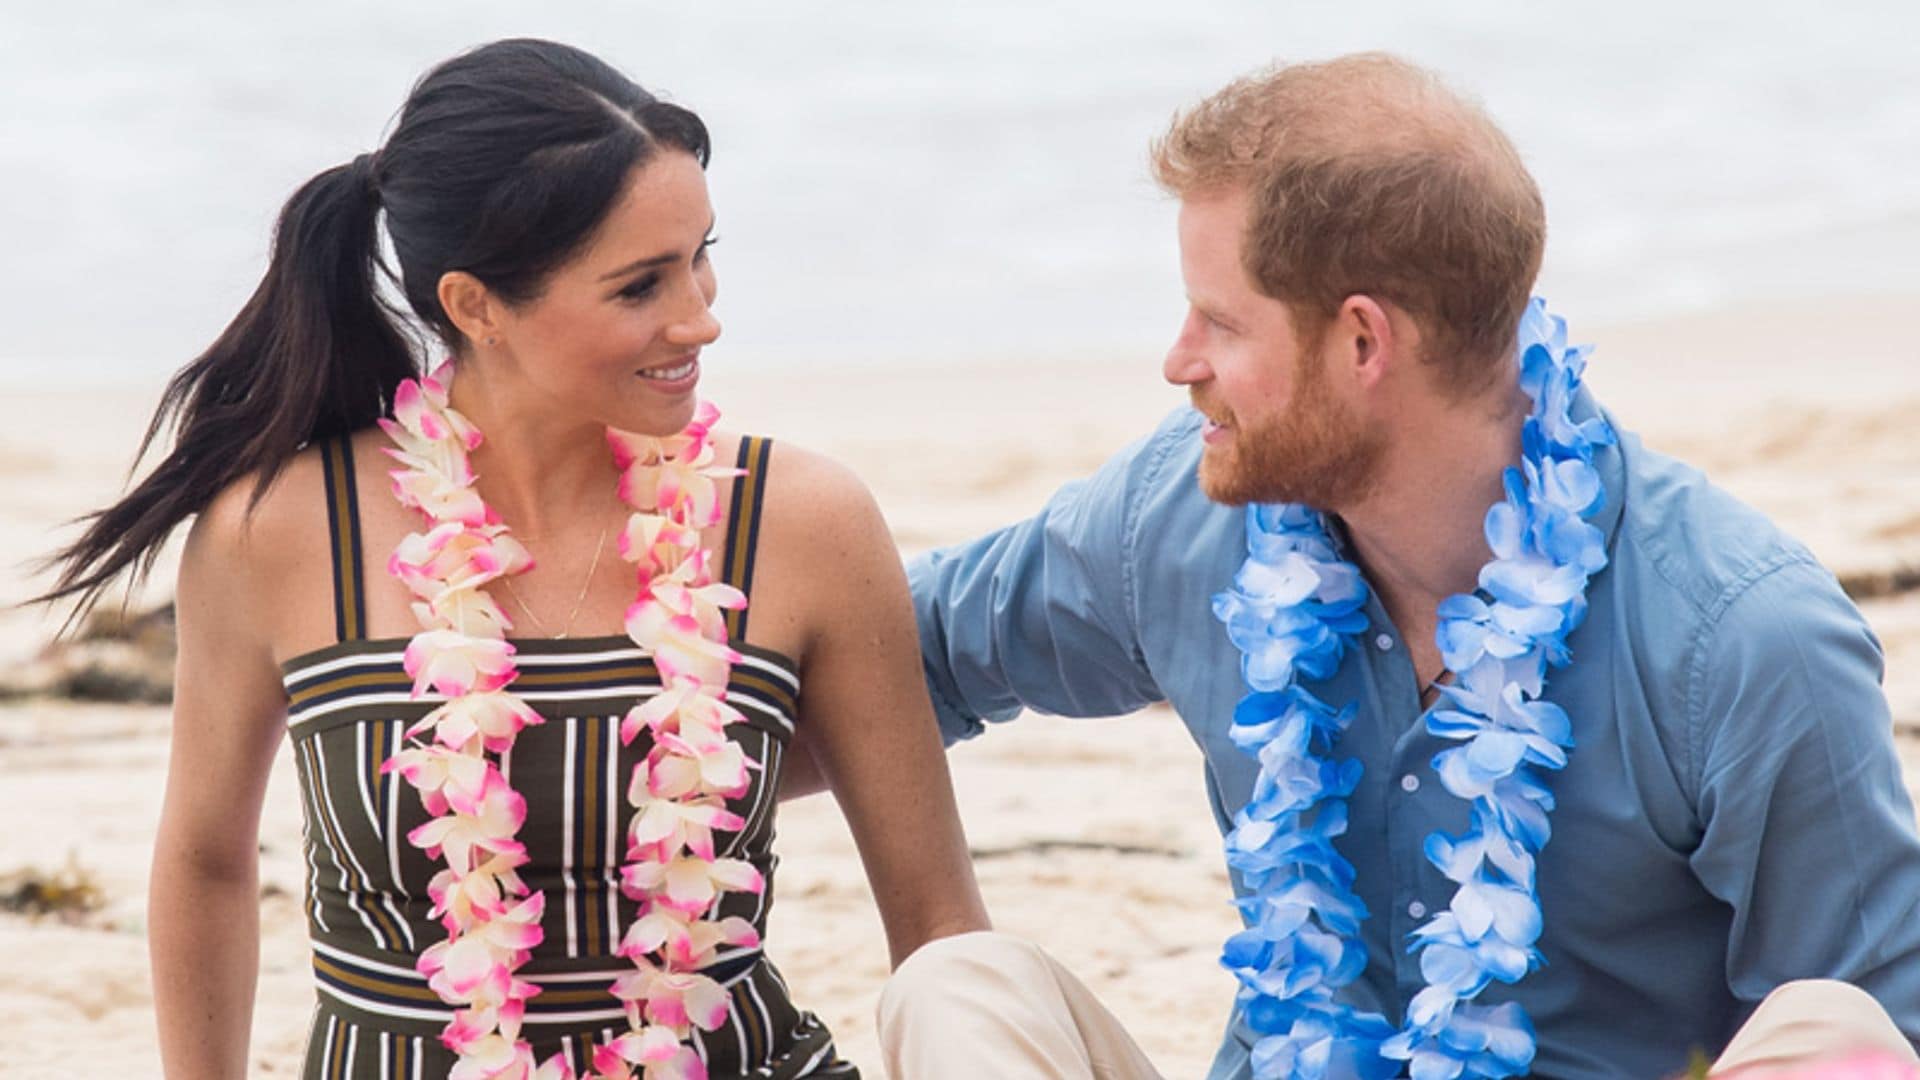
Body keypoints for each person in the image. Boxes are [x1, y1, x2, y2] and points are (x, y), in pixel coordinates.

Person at [885, 53, 1920, 1080]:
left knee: (1838, 1025)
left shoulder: (1741, 639)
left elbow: (1889, 1025)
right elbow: (886, 655)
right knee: (964, 991)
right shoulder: (1185, 511)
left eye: (1222, 321)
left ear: (1362, 343)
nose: (1180, 359)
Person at [40, 38, 988, 1079]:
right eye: (640, 286)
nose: (701, 316)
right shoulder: (278, 531)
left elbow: (938, 920)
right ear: (475, 305)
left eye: (701, 255)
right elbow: (206, 862)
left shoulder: (802, 523)